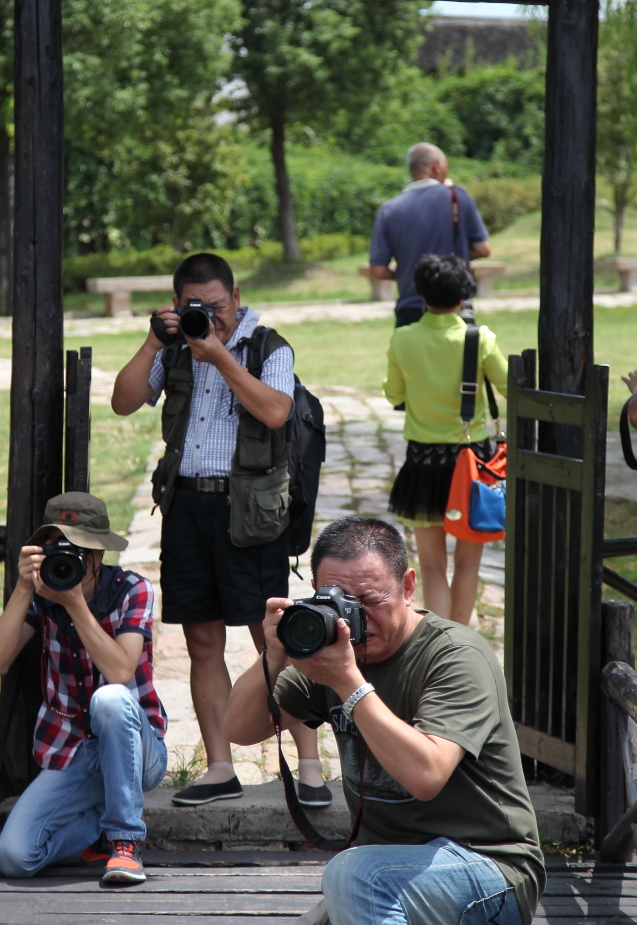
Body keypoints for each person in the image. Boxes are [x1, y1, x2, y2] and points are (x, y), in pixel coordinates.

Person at [224, 516, 545, 925]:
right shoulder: (333, 655)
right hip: (391, 869)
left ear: (408, 587)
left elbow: (425, 775)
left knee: (351, 875)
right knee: (348, 884)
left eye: (371, 599)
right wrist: (273, 655)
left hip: (490, 869)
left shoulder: (456, 656)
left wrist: (349, 684)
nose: (356, 618)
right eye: (340, 601)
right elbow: (239, 729)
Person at [111, 252, 328, 807]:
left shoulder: (267, 346)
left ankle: (310, 767)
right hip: (187, 508)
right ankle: (220, 767)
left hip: (250, 513)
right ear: (178, 303)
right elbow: (123, 400)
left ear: (237, 294)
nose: (211, 315)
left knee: (273, 639)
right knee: (202, 641)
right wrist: (155, 343)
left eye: (219, 305)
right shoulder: (178, 346)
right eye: (195, 307)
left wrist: (221, 356)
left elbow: (277, 410)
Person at [0, 492, 168, 887]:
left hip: (138, 748)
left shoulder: (131, 590)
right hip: (73, 753)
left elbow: (120, 671)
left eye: (80, 550)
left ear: (99, 555)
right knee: (14, 856)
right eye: (58, 548)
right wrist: (22, 588)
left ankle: (125, 841)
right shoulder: (42, 593)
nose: (67, 561)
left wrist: (75, 606)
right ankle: (98, 831)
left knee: (110, 699)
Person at [383, 253, 508, 625]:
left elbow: (393, 394)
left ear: (421, 294)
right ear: (463, 295)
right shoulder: (479, 338)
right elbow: (509, 385)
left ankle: (441, 644)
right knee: (468, 565)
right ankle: (464, 644)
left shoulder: (403, 338)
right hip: (473, 461)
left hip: (424, 463)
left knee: (433, 565)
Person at [370, 142, 492, 328]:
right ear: (436, 166)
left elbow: (377, 270)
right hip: (456, 306)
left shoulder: (389, 210)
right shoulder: (457, 197)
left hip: (410, 308)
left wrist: (411, 272)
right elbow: (483, 249)